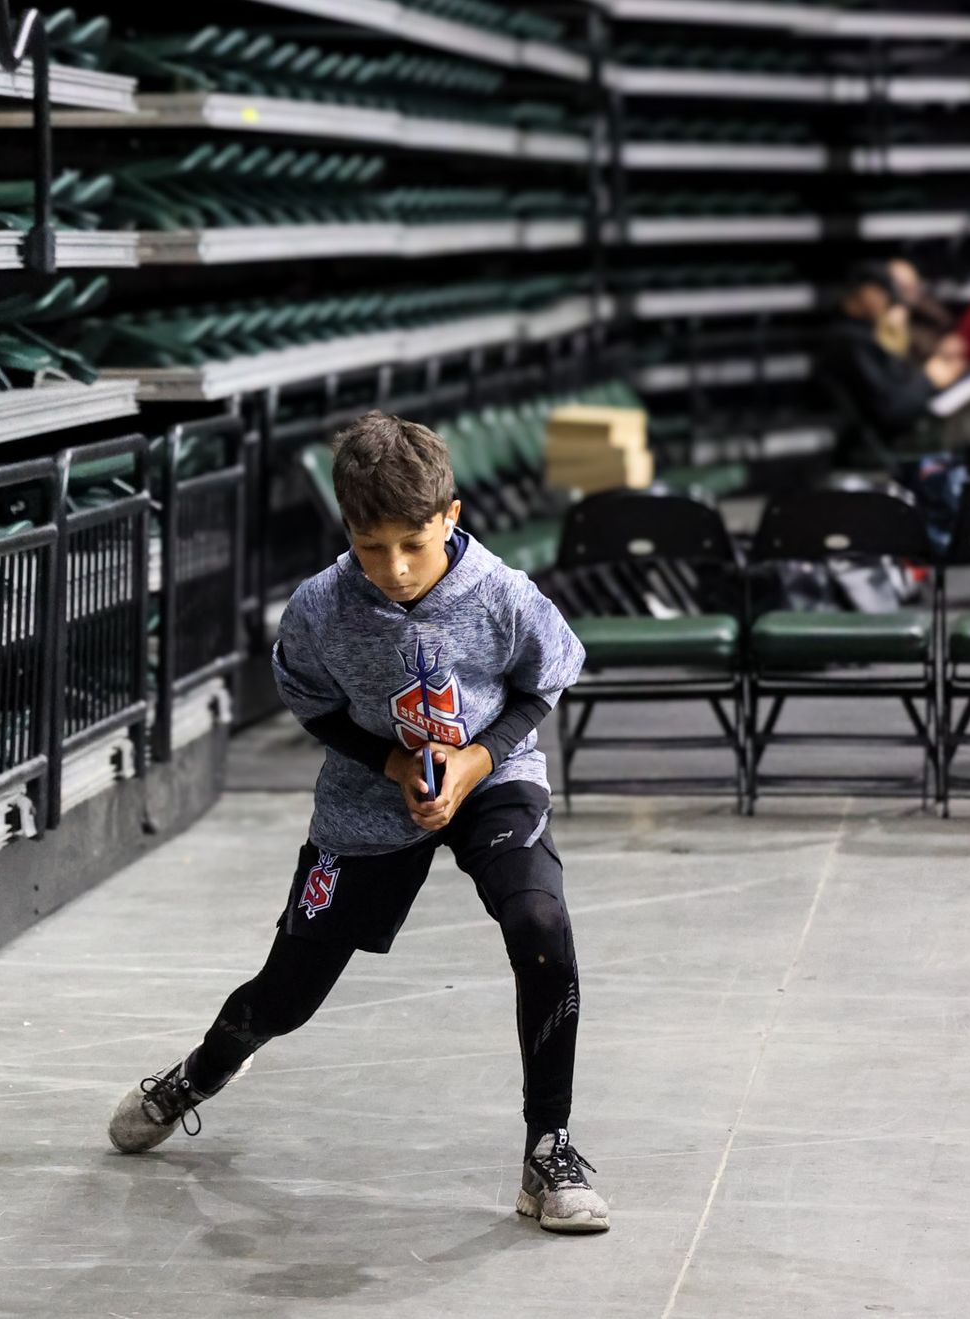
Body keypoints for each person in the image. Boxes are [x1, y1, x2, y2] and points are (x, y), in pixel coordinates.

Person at [105, 413, 607, 1234]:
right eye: (373, 549)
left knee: (540, 920)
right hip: (371, 796)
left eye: (414, 543)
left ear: (451, 514)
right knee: (286, 995)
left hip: (491, 774)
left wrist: (477, 762)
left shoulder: (505, 595)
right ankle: (199, 1072)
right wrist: (393, 765)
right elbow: (313, 704)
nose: (396, 569)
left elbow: (543, 682)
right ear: (347, 531)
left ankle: (548, 1148)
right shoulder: (319, 609)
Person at [820, 261, 970, 451]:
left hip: (932, 412)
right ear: (866, 292)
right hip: (911, 435)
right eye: (887, 291)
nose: (891, 300)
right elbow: (892, 410)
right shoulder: (851, 341)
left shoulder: (874, 332)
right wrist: (929, 378)